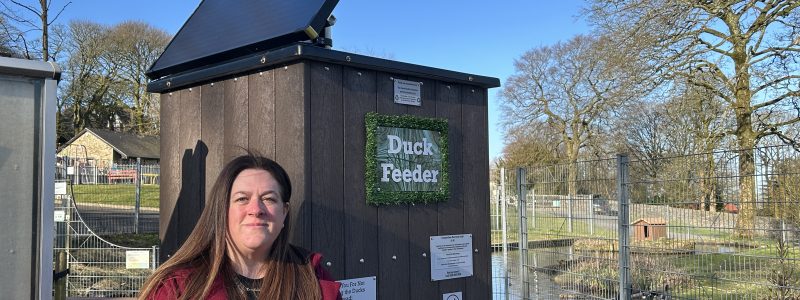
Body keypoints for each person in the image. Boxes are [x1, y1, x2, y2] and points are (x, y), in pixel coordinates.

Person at [139, 153, 341, 300]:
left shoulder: (313, 279)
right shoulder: (178, 287)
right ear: (222, 209)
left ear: (284, 212)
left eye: (269, 199)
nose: (256, 209)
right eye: (242, 198)